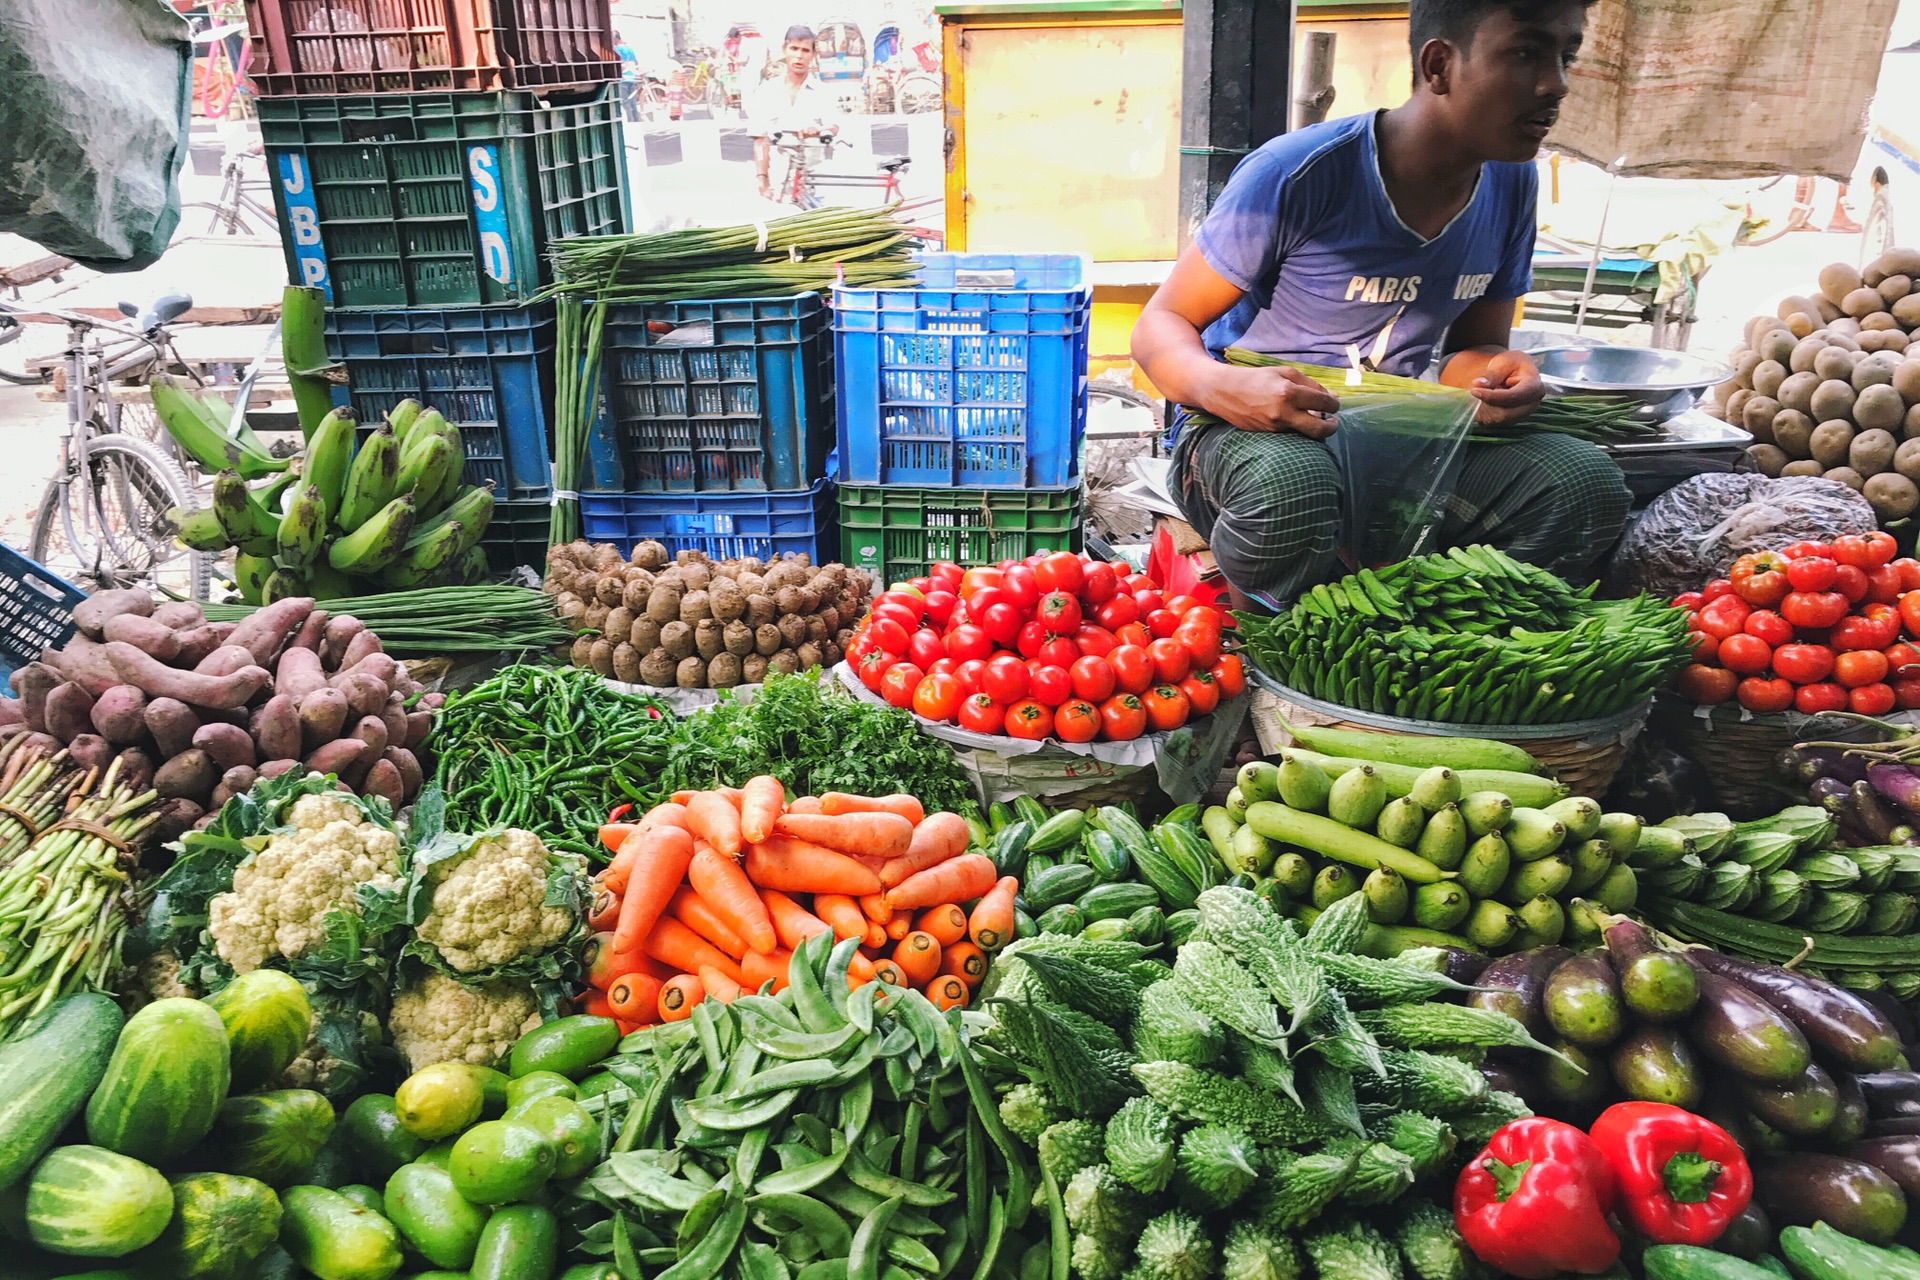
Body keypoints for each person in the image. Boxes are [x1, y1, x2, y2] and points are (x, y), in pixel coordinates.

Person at [1133, 0, 1631, 607]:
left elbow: (1471, 351)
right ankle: (1290, 650)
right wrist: (1218, 387)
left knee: (1582, 483)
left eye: (1566, 55)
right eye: (1525, 53)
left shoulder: (1511, 180)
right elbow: (1160, 324)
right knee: (1293, 487)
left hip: (1400, 436)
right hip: (1250, 437)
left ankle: (1437, 627)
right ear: (1440, 65)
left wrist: (1500, 376)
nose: (1556, 84)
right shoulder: (1298, 175)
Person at [750, 26, 840, 201]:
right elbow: (759, 140)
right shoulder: (766, 91)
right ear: (785, 50)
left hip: (814, 180)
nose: (799, 56)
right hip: (779, 183)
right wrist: (762, 181)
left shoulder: (823, 92)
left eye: (805, 50)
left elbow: (833, 125)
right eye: (794, 49)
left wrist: (819, 129)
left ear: (813, 55)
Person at [614, 38, 641, 122]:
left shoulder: (617, 49)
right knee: (633, 102)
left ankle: (630, 121)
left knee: (625, 102)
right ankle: (636, 120)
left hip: (623, 79)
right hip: (632, 79)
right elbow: (636, 62)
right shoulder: (630, 49)